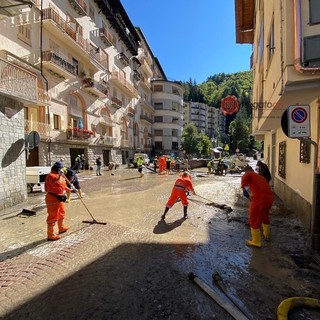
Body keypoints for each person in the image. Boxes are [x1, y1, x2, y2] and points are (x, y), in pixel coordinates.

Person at [241, 166, 274, 248]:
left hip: (259, 199)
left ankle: (256, 241)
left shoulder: (248, 174)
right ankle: (267, 235)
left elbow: (244, 183)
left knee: (254, 218)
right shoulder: (260, 177)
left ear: (246, 171)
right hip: (269, 198)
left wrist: (245, 190)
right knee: (264, 215)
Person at [45, 161, 71, 241]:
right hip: (52, 198)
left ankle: (61, 228)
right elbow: (55, 184)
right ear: (58, 169)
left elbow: (62, 185)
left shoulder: (60, 176)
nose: (63, 169)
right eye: (62, 168)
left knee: (61, 213)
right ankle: (50, 235)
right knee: (52, 216)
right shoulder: (51, 176)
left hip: (59, 198)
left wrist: (70, 189)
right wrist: (60, 175)